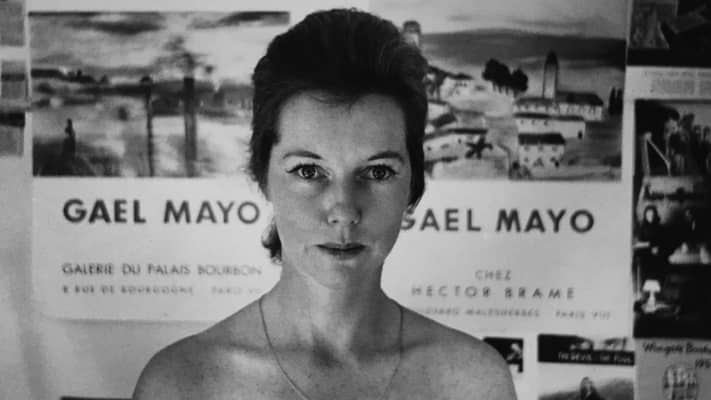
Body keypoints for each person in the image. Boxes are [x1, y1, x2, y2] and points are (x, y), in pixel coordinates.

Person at [132, 9, 516, 400]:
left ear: (412, 183)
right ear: (263, 176)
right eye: (309, 171)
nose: (344, 210)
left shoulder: (473, 381)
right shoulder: (182, 383)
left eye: (378, 172)